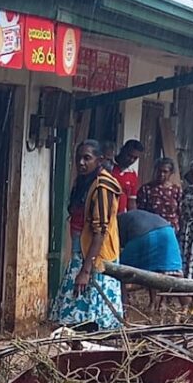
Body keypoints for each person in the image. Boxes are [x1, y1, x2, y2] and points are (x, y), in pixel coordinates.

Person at [51, 140, 123, 331]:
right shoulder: (85, 181)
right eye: (78, 158)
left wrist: (85, 270)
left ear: (99, 160)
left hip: (94, 257)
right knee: (77, 315)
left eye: (87, 158)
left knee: (91, 318)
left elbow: (100, 230)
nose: (81, 163)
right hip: (81, 252)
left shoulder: (102, 186)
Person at [117, 208, 183, 275]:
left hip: (144, 234)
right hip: (168, 231)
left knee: (123, 271)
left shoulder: (116, 223)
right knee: (171, 270)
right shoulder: (132, 216)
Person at [136, 156, 183, 229]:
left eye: (165, 172)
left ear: (171, 173)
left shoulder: (176, 190)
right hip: (152, 228)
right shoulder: (146, 189)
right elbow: (141, 212)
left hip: (171, 229)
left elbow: (181, 212)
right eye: (159, 171)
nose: (161, 174)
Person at [112, 140, 145, 211]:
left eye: (135, 158)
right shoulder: (108, 166)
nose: (131, 160)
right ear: (123, 150)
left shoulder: (132, 174)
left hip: (121, 217)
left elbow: (131, 201)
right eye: (129, 156)